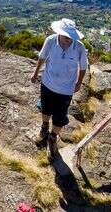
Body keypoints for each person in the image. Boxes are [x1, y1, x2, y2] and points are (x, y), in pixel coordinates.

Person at [30, 18, 88, 156]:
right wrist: (35, 73)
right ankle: (44, 128)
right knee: (45, 107)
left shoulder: (79, 47)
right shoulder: (50, 40)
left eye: (70, 36)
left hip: (66, 89)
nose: (68, 39)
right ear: (59, 33)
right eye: (66, 36)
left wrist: (79, 83)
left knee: (60, 116)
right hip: (47, 83)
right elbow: (42, 57)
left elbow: (83, 67)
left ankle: (52, 137)